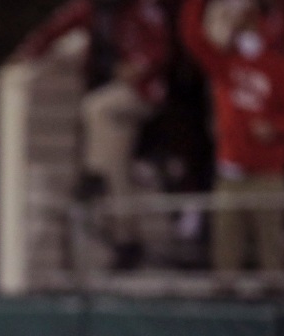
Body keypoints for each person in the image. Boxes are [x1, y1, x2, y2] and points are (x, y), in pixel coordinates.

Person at [11, 0, 172, 268]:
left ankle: (93, 173)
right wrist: (29, 52)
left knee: (95, 110)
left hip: (142, 92)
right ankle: (126, 239)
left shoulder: (143, 8)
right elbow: (57, 27)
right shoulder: (91, 8)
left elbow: (160, 49)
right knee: (116, 169)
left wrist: (138, 66)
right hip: (110, 95)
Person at [180, 0, 284, 275]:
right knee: (226, 251)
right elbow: (192, 35)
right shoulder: (225, 63)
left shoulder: (279, 67)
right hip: (230, 174)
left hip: (268, 174)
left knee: (271, 250)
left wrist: (275, 127)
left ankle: (276, 300)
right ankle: (226, 297)